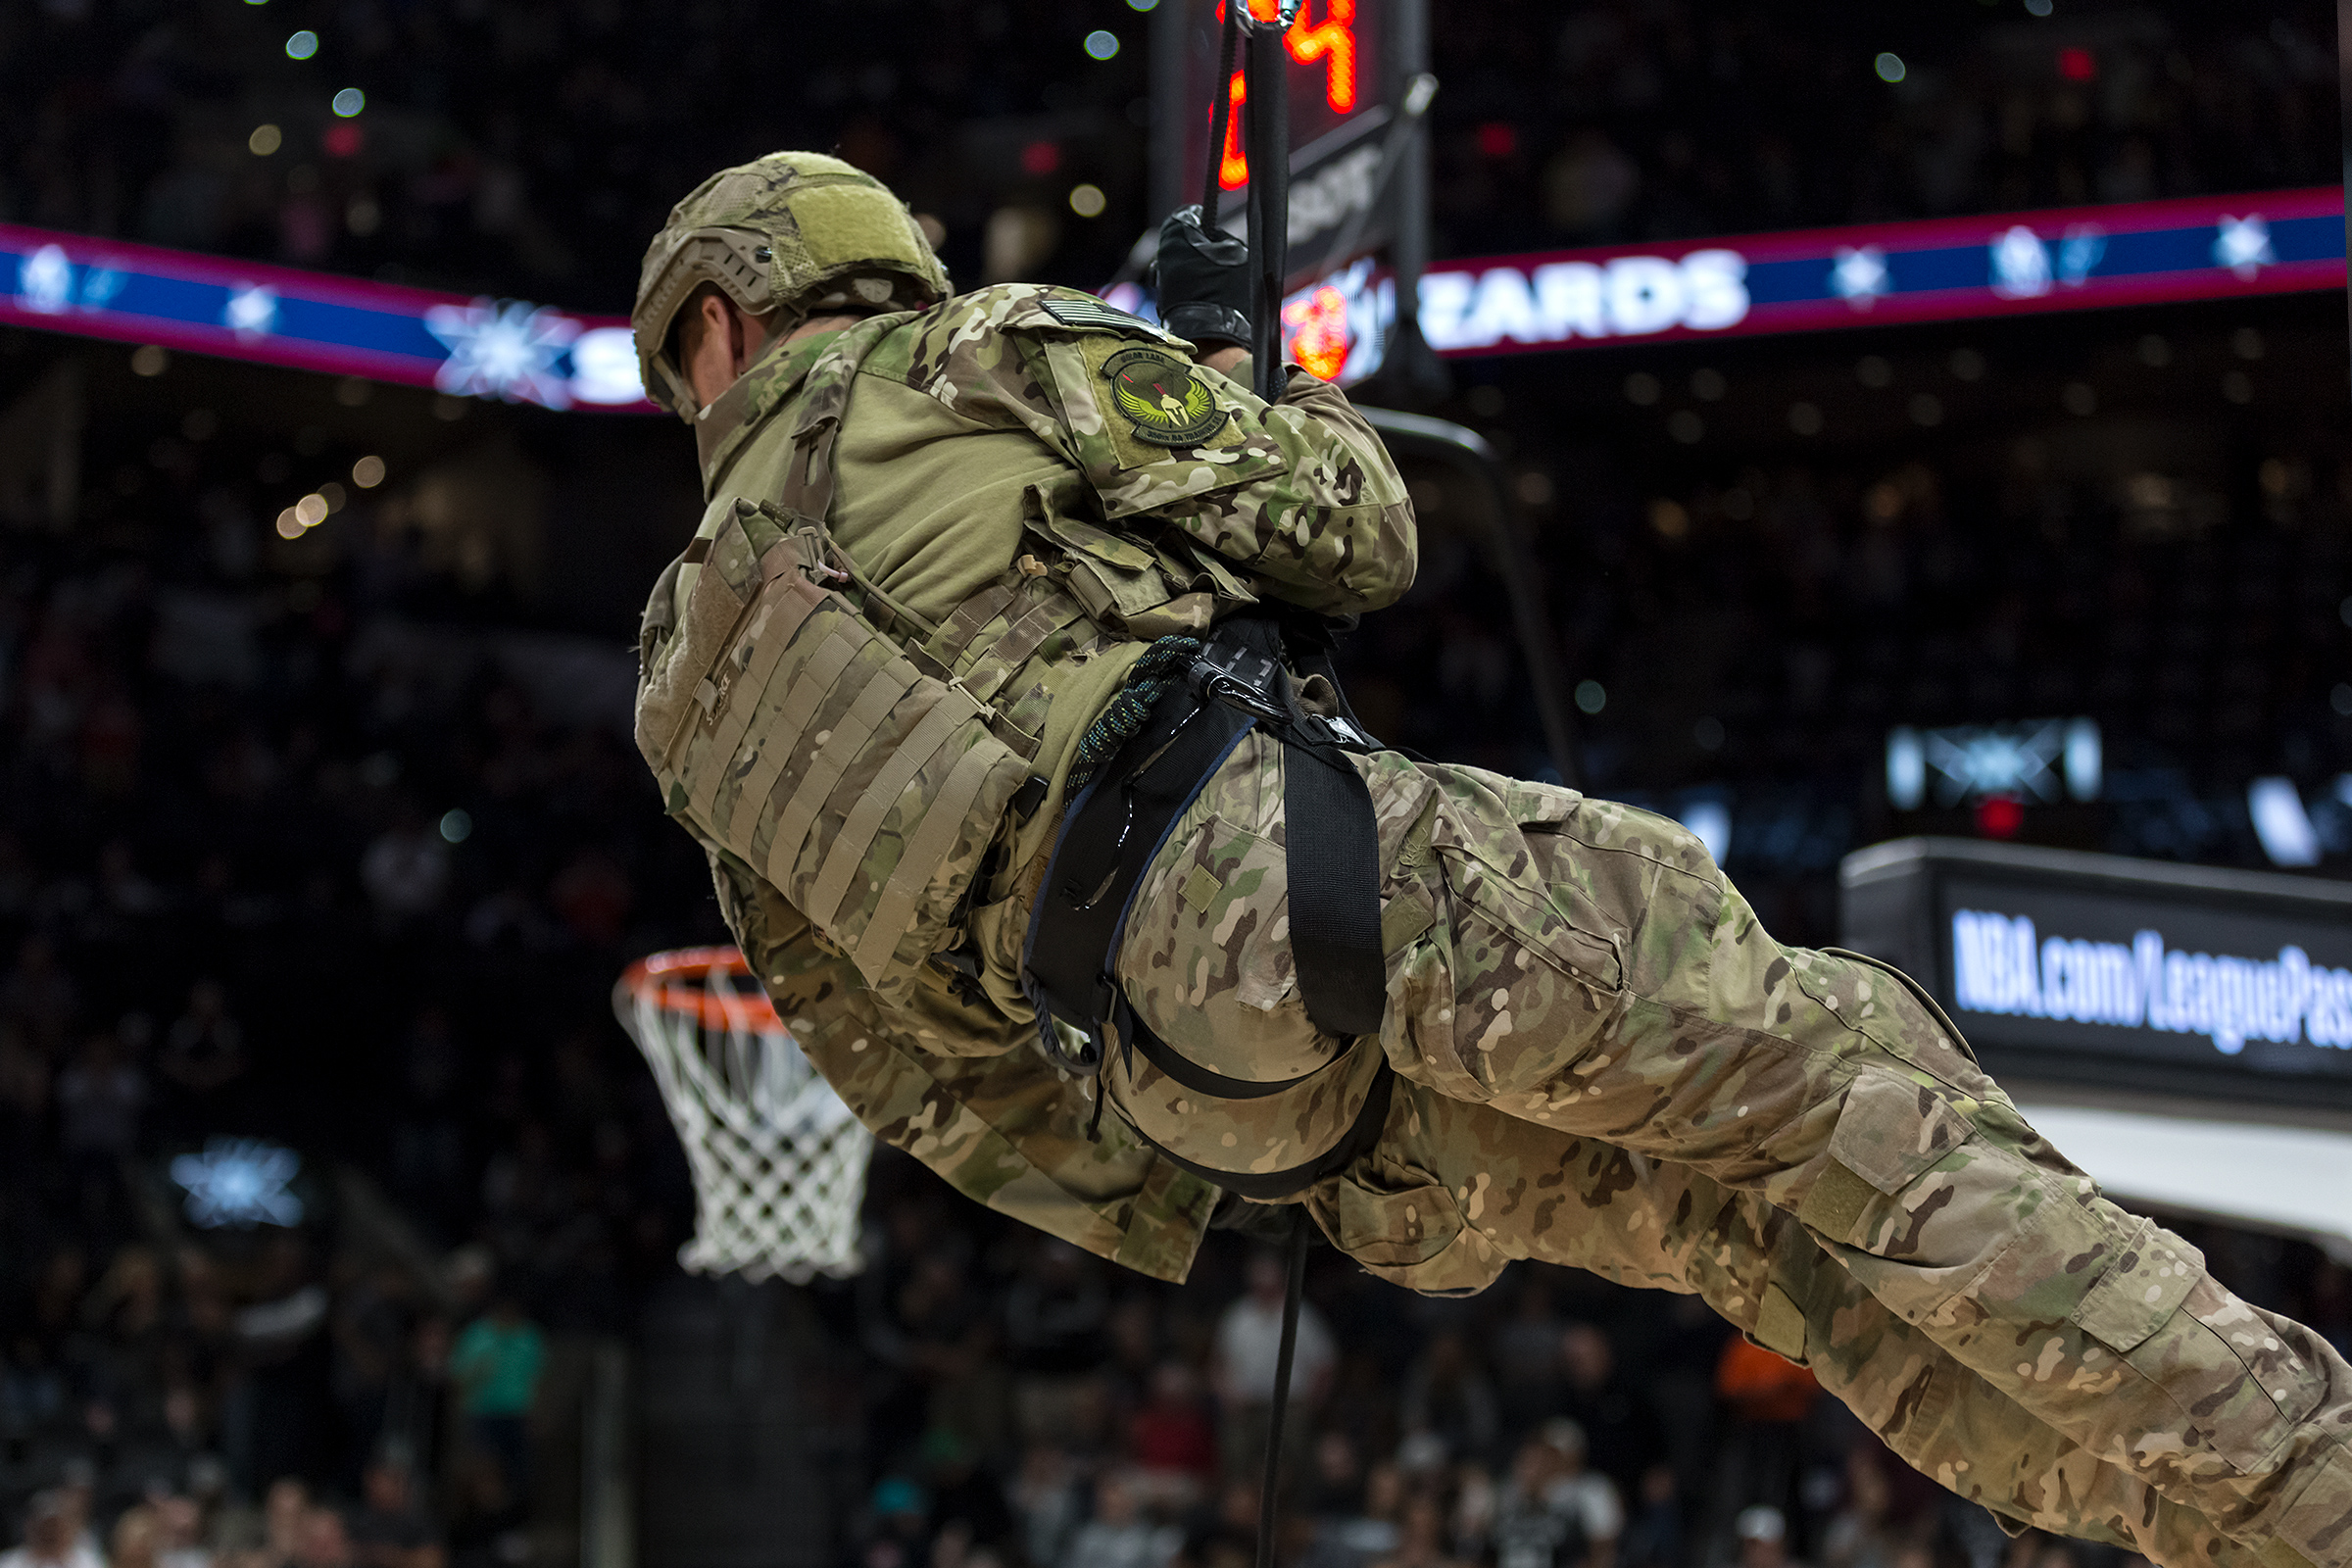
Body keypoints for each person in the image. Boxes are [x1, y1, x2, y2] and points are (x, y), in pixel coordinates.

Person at [628, 153, 2352, 1568]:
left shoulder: (681, 674)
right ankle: (2317, 1484)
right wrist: (1225, 378)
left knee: (1765, 1249)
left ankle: (2251, 1532)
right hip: (1289, 869)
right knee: (1847, 1087)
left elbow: (905, 1069)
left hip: (1214, 1096)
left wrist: (1197, 1145)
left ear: (706, 331)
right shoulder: (963, 355)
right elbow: (1354, 527)